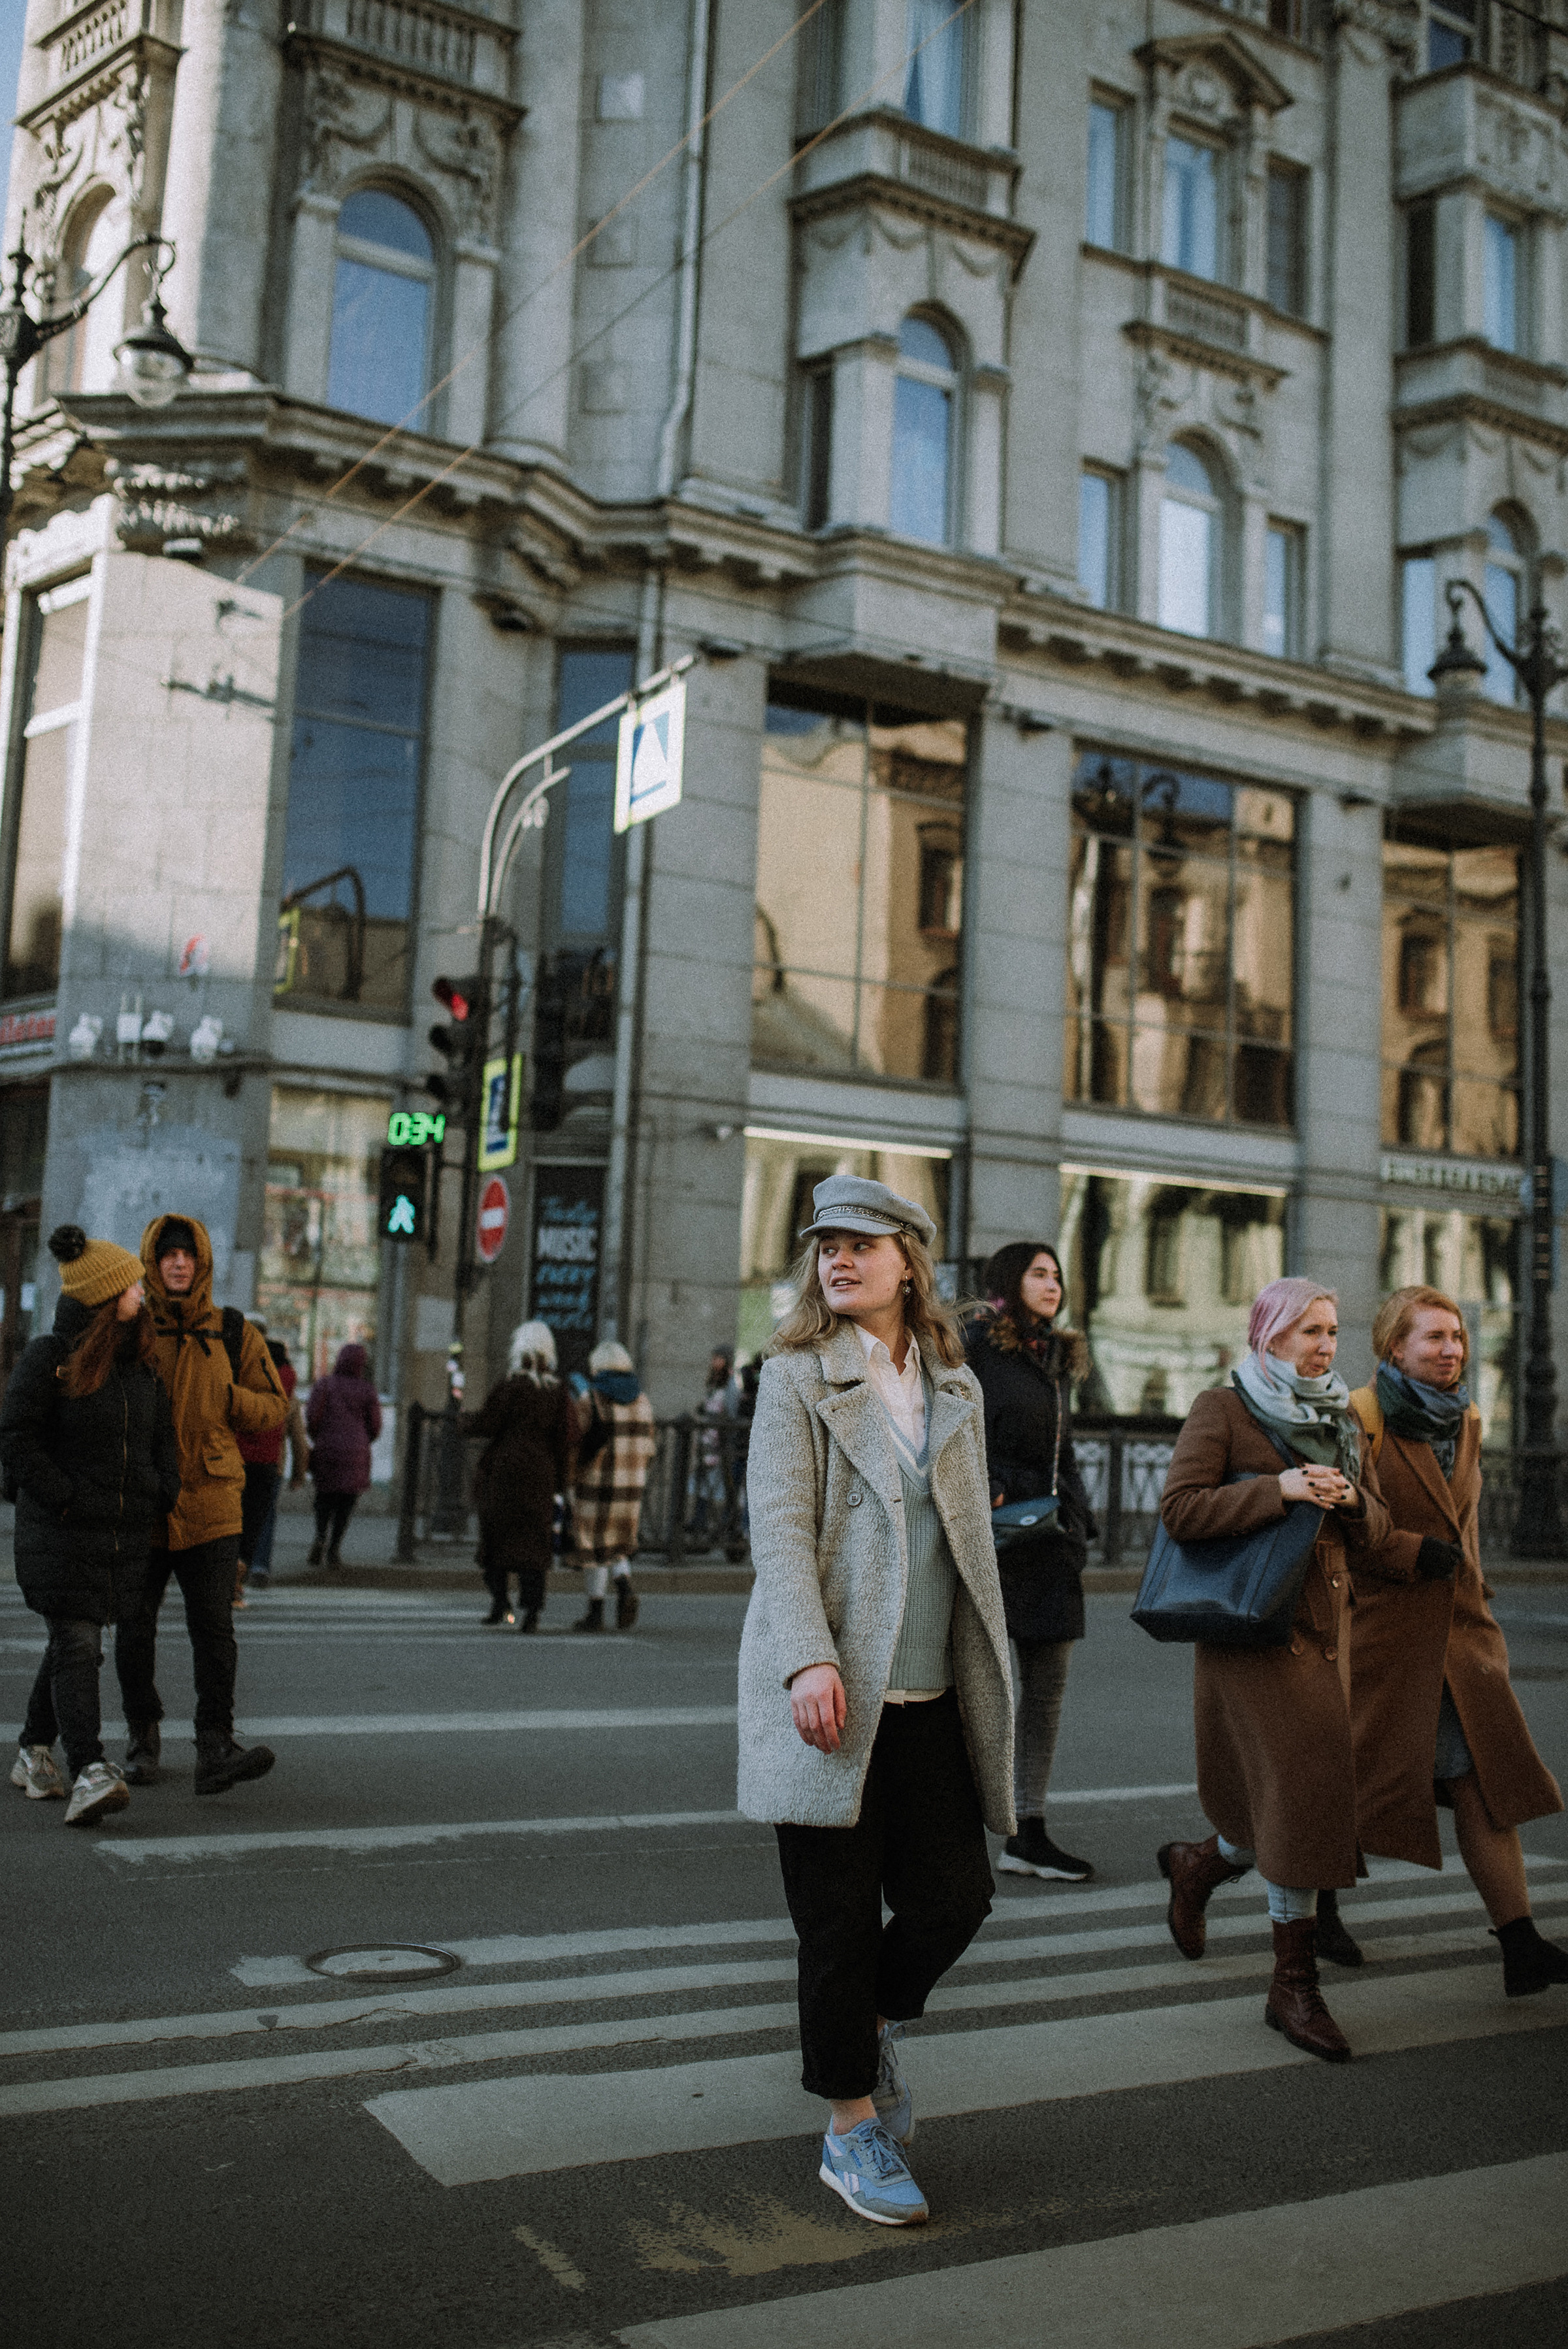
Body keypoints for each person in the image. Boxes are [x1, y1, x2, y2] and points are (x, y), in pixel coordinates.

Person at [737, 1175, 1014, 2227]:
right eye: (825, 1245)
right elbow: (780, 1525)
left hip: (934, 1688)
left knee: (957, 1896)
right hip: (834, 1694)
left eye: (861, 1242)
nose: (838, 1259)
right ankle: (851, 2124)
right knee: (838, 1922)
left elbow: (965, 1535)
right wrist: (808, 1658)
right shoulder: (795, 1375)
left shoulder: (956, 1381)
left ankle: (870, 2020)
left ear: (911, 1259)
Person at [1154, 1277, 1389, 2063]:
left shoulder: (1345, 1419)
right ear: (1269, 1334)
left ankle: (1198, 1865)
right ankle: (1293, 1984)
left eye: (1331, 1330)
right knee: (1298, 1795)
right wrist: (1277, 1489)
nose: (1325, 1345)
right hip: (1252, 1634)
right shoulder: (1223, 1408)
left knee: (1287, 1801)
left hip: (1328, 1633)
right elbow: (1181, 1509)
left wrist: (1353, 1501)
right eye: (1309, 1330)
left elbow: (1379, 1530)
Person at [1335, 1285, 1565, 1997]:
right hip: (1383, 1637)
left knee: (1481, 1781)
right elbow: (1339, 1530)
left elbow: (1460, 1522)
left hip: (1460, 1634)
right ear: (1393, 1346)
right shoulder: (1359, 1417)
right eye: (1433, 1337)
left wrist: (1479, 1590)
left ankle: (1519, 1940)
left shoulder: (1463, 1415)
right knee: (1338, 1785)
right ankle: (1217, 1866)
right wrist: (1408, 1553)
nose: (1451, 1350)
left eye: (1457, 1336)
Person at [2, 1228, 179, 1826]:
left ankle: (31, 1750)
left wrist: (164, 1488)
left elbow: (163, 1441)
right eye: (131, 1283)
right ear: (105, 1296)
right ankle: (89, 1770)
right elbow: (15, 1438)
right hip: (61, 1530)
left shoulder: (142, 1366)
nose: (141, 1290)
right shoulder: (50, 1357)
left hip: (119, 1534)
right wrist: (65, 1495)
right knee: (80, 1642)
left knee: (71, 1644)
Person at [113, 1214, 287, 1795]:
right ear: (153, 1262)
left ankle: (215, 1744)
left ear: (202, 1262)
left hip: (212, 1501)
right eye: (168, 1256)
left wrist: (230, 1398)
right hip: (146, 1502)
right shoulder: (130, 1325)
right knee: (134, 1628)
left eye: (187, 1255)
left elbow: (274, 1406)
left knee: (213, 1630)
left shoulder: (233, 1330)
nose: (179, 1263)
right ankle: (143, 1737)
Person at [966, 1240, 1097, 1883]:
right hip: (989, 1532)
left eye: (1056, 1274)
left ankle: (1028, 1829)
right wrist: (987, 1479)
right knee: (977, 1687)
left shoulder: (1056, 1356)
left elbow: (1061, 1450)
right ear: (1008, 1279)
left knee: (1044, 1694)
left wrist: (1080, 1519)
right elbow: (948, 1421)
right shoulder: (975, 1345)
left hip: (1047, 1537)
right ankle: (953, 1825)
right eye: (1038, 1273)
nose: (1052, 1283)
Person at [468, 1319, 574, 1632]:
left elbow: (487, 1423)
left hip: (504, 1472)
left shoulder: (510, 1386)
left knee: (496, 1538)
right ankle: (531, 1614)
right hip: (540, 1475)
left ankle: (501, 1604)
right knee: (534, 1545)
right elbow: (564, 1436)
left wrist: (463, 1423)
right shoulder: (557, 1391)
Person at [571, 1339, 656, 1631]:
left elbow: (578, 1439)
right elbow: (651, 1445)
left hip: (596, 1485)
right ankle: (624, 1587)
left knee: (593, 1545)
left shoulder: (593, 1398)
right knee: (618, 1543)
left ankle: (595, 1612)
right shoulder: (642, 1400)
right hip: (631, 1486)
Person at [235, 1321, 308, 1600]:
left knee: (233, 1516)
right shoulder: (286, 1388)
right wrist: (299, 1473)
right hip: (271, 1463)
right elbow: (297, 1434)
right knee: (264, 1517)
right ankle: (259, 1565)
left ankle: (231, 1568)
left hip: (236, 1459)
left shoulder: (240, 1373)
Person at [305, 1342, 382, 1567]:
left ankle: (320, 1536)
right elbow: (375, 1425)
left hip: (327, 1449)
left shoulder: (325, 1385)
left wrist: (320, 1437)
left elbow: (312, 1418)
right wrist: (361, 1440)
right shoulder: (367, 1390)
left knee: (324, 1498)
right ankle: (334, 1549)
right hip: (356, 1454)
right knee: (346, 1503)